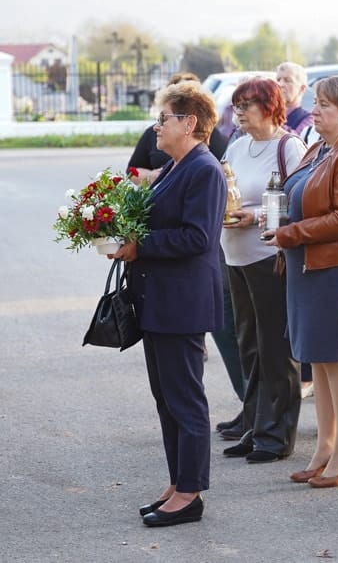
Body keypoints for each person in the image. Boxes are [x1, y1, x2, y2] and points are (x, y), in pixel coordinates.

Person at [111, 81, 226, 526]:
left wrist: (142, 246)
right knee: (166, 397)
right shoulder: (176, 165)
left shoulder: (204, 169)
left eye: (163, 119)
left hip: (181, 301)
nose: (156, 127)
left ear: (189, 123)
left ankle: (191, 492)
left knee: (185, 398)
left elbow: (199, 238)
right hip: (158, 299)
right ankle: (179, 481)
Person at [270, 74, 338, 488]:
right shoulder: (319, 148)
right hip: (307, 266)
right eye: (314, 103)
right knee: (320, 359)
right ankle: (326, 447)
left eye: (324, 106)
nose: (314, 111)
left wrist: (289, 234)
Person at [219, 77, 305, 463]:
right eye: (236, 106)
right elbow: (225, 189)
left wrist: (252, 216)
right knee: (249, 347)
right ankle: (254, 426)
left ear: (270, 107)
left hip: (268, 256)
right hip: (235, 257)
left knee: (275, 348)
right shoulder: (237, 147)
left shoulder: (288, 146)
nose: (238, 113)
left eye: (246, 106)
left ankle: (278, 434)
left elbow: (296, 200)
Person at [276, 62, 313, 135]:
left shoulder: (309, 119)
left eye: (287, 80)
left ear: (302, 89)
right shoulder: (270, 114)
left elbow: (298, 140)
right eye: (278, 80)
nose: (280, 84)